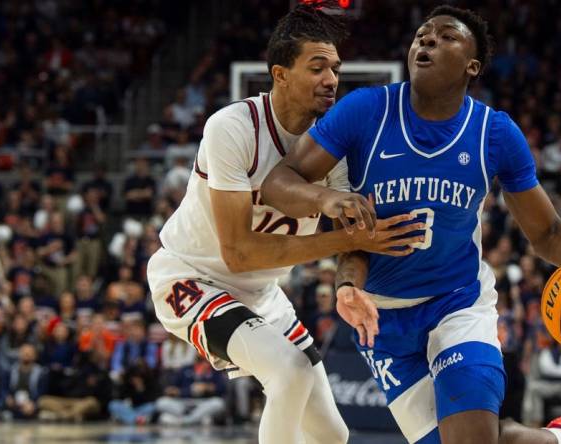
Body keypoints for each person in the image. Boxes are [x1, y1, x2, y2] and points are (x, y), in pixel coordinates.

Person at [261, 5, 561, 444]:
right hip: (381, 317)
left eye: (446, 37)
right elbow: (278, 183)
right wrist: (328, 197)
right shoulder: (365, 110)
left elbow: (549, 233)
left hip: (458, 304)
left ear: (473, 66)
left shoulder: (494, 134)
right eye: (423, 34)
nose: (427, 40)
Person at [146, 4, 421, 443]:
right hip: (194, 276)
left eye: (335, 68)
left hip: (263, 294)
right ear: (280, 75)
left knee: (333, 434)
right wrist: (343, 238)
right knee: (289, 371)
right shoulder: (233, 127)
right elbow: (239, 253)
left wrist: (351, 275)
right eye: (317, 67)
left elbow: (353, 238)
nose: (331, 79)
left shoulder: (335, 145)